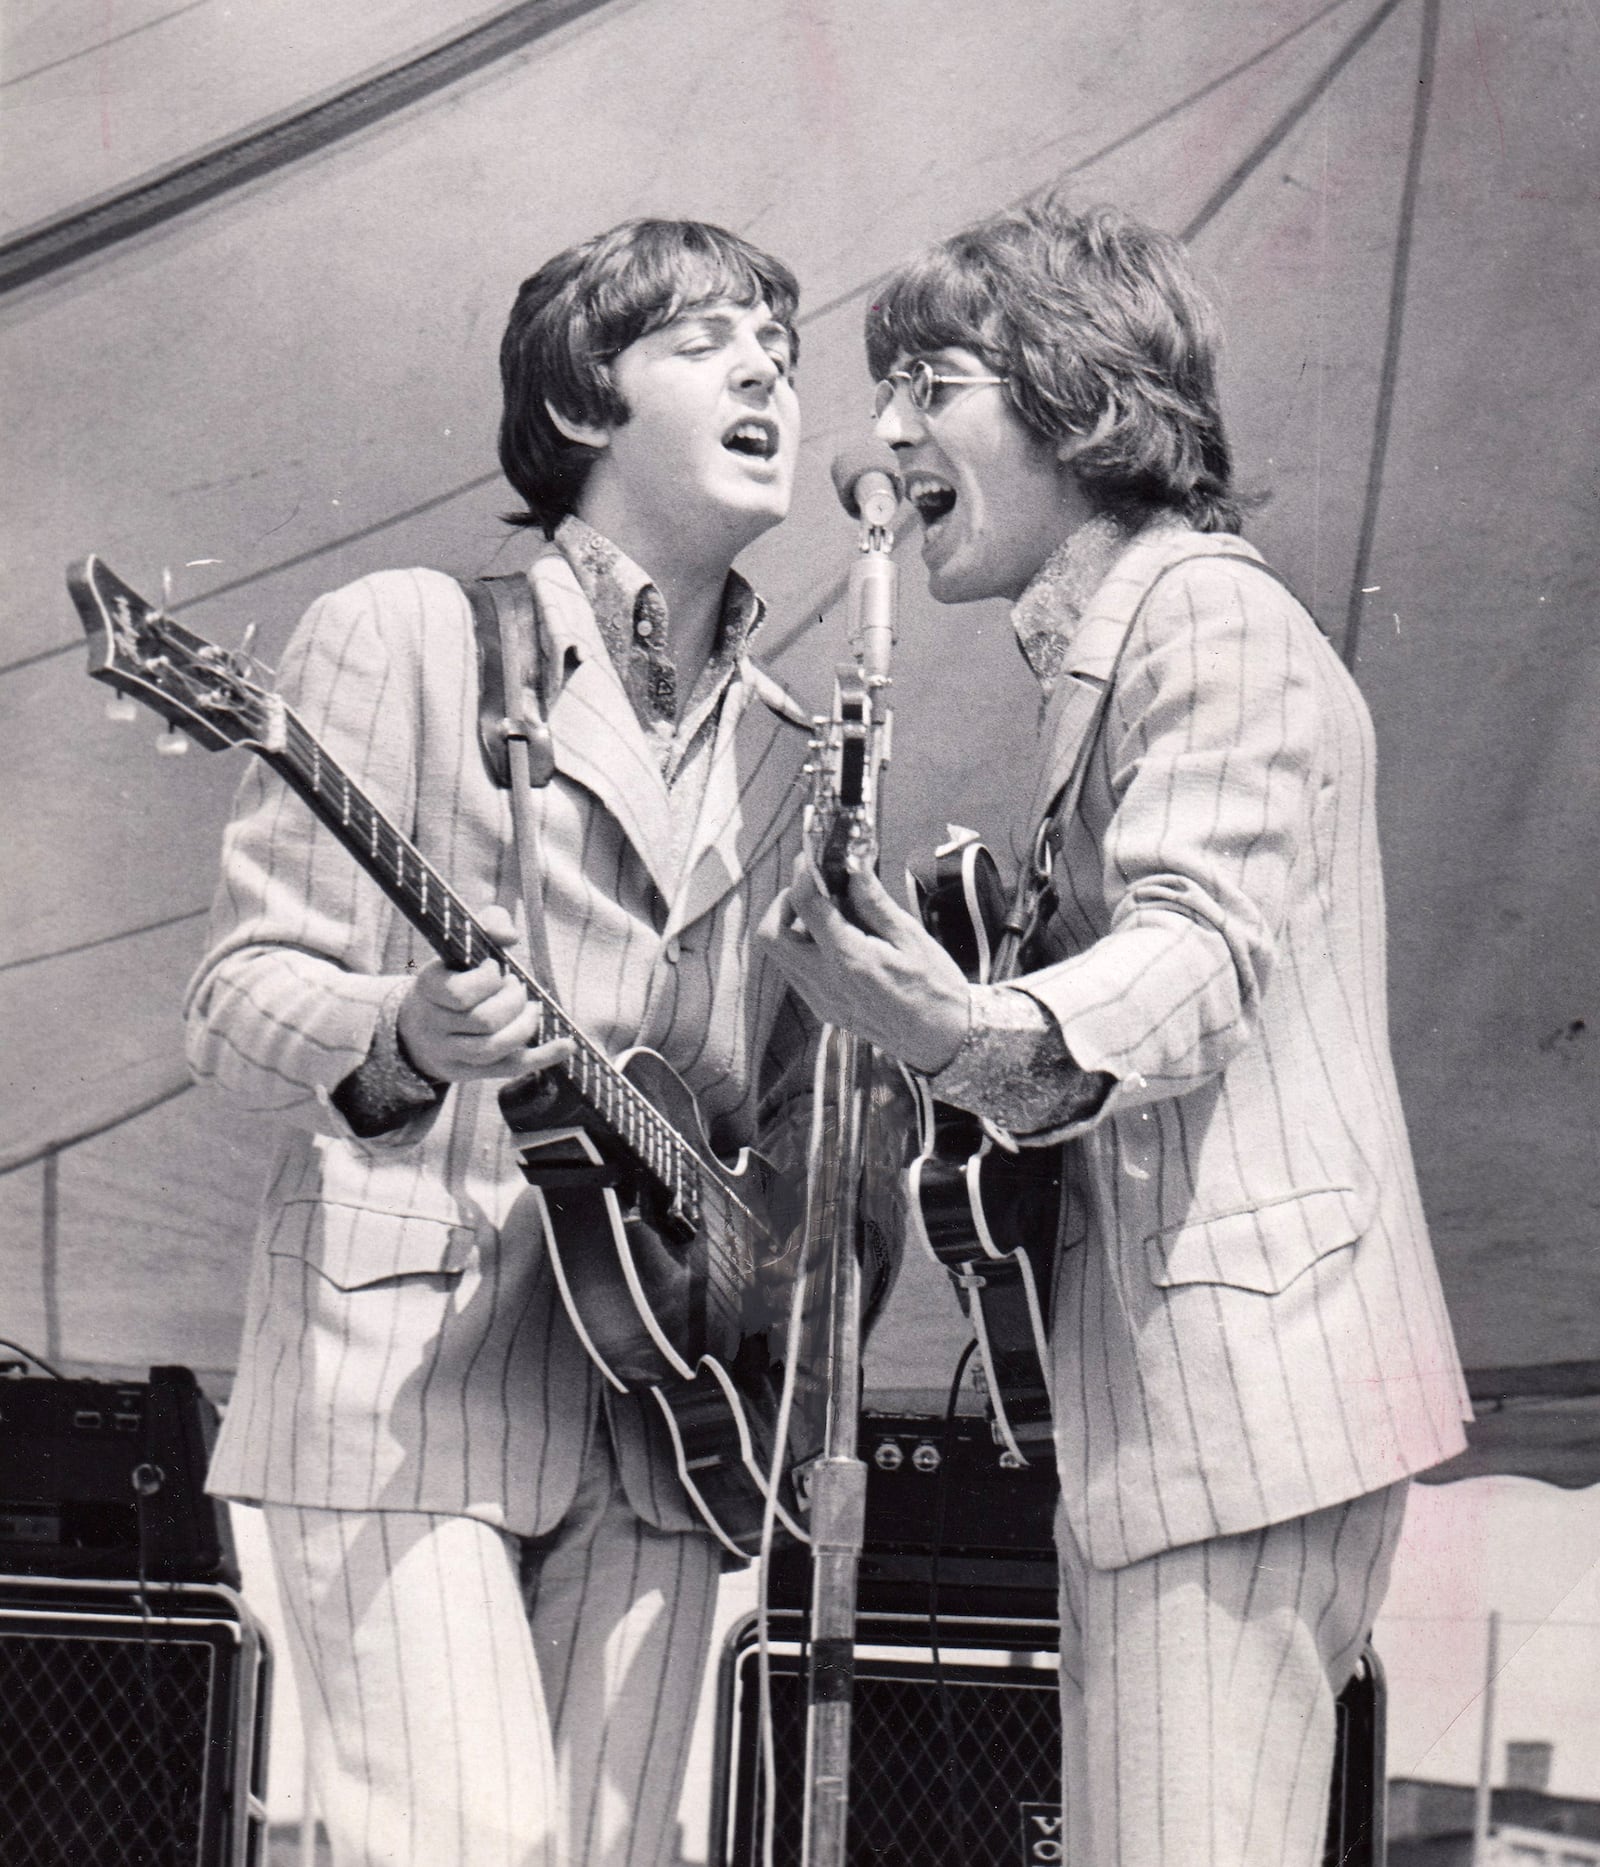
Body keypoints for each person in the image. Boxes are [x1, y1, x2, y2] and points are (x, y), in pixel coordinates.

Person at [761, 196, 1472, 1867]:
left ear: (1080, 399)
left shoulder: (1205, 619)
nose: (886, 432)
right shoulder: (1119, 646)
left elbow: (1200, 955)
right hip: (1197, 1415)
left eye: (933, 382)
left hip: (1241, 1405)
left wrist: (962, 1025)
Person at [187, 217, 818, 1867]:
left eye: (782, 349)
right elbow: (241, 997)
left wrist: (766, 1292)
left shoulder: (791, 751)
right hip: (407, 1376)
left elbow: (776, 1121)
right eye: (708, 341)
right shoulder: (399, 632)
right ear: (584, 405)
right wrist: (398, 1027)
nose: (768, 369)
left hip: (673, 1417)